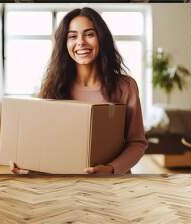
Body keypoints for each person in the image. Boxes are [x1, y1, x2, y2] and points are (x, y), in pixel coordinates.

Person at [10, 7, 147, 175]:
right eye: (72, 36)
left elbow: (137, 142)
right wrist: (26, 164)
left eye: (89, 34)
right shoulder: (52, 88)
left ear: (101, 39)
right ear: (64, 44)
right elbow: (43, 145)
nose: (81, 42)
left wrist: (111, 169)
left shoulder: (125, 86)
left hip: (112, 184)